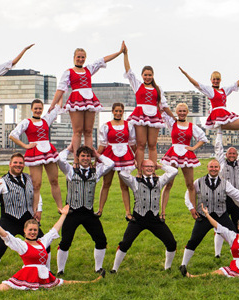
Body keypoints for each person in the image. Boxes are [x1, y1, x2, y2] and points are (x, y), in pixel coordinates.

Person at [0, 205, 105, 291]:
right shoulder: (21, 245)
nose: (33, 232)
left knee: (63, 282)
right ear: (25, 231)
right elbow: (4, 233)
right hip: (26, 274)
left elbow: (54, 230)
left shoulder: (42, 242)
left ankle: (92, 282)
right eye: (30, 230)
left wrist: (64, 215)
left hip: (44, 274)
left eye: (35, 230)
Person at [179, 159, 239, 276]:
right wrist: (191, 207)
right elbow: (188, 194)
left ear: (219, 168)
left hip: (221, 215)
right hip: (204, 216)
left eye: (216, 167)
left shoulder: (225, 183)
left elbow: (237, 194)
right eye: (211, 167)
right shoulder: (198, 182)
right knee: (194, 240)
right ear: (207, 167)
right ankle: (183, 265)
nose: (213, 169)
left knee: (236, 238)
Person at [48, 43, 125, 163]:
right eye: (78, 57)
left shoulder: (89, 69)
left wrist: (119, 52)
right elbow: (60, 89)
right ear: (74, 58)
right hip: (76, 99)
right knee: (77, 131)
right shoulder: (68, 72)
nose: (80, 59)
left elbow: (103, 60)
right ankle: (76, 160)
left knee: (88, 131)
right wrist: (52, 105)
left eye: (83, 57)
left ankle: (88, 159)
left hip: (89, 100)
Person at [0, 153, 45, 281]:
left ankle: (46, 271)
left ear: (24, 165)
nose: (18, 165)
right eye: (15, 163)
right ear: (10, 164)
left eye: (20, 163)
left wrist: (39, 209)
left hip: (27, 220)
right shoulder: (2, 182)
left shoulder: (29, 178)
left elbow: (36, 194)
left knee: (44, 243)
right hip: (9, 219)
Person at [178, 67, 239, 161]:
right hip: (219, 117)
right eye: (214, 79)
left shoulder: (224, 90)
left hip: (225, 114)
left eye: (217, 79)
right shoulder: (210, 90)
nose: (216, 81)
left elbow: (236, 84)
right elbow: (196, 84)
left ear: (220, 80)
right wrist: (186, 74)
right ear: (211, 80)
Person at [111, 159, 178, 273]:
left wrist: (160, 166)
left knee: (171, 242)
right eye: (146, 166)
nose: (149, 168)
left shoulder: (159, 180)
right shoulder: (134, 181)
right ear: (142, 168)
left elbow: (174, 171)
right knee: (125, 243)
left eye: (151, 166)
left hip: (155, 219)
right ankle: (114, 269)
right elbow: (123, 174)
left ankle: (168, 267)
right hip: (138, 219)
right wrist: (134, 166)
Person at [56, 144, 114, 275]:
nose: (86, 158)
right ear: (78, 157)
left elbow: (110, 164)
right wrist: (69, 149)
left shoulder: (96, 171)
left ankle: (98, 268)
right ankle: (60, 270)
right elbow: (60, 159)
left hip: (88, 212)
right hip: (72, 212)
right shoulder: (70, 170)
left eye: (88, 156)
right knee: (65, 241)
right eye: (83, 156)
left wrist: (98, 155)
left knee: (101, 239)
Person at [122, 42, 176, 171]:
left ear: (153, 76)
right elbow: (128, 71)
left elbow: (164, 106)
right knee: (141, 144)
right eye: (145, 75)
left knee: (152, 144)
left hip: (154, 116)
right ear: (142, 75)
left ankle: (151, 170)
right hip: (140, 114)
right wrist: (125, 54)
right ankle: (140, 171)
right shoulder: (137, 84)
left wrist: (175, 118)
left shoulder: (158, 89)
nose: (147, 77)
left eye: (150, 75)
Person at [9, 99, 63, 212]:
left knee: (54, 180)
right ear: (32, 109)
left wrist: (62, 89)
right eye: (36, 108)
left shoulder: (46, 119)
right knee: (36, 184)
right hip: (34, 153)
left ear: (42, 109)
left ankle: (60, 208)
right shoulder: (26, 122)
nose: (38, 110)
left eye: (40, 108)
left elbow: (58, 106)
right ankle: (35, 210)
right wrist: (25, 146)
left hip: (48, 152)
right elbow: (12, 135)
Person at [160, 103, 208, 222]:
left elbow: (203, 138)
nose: (182, 113)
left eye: (184, 111)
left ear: (187, 112)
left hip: (186, 154)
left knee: (190, 184)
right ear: (176, 112)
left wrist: (193, 148)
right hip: (173, 154)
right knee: (169, 184)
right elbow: (162, 110)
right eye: (179, 111)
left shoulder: (192, 126)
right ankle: (162, 212)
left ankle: (194, 212)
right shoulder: (172, 123)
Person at [97, 102, 136, 218]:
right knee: (106, 183)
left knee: (124, 185)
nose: (118, 113)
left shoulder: (129, 125)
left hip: (125, 156)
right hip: (110, 155)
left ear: (123, 112)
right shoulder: (106, 126)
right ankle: (99, 210)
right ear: (112, 111)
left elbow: (133, 143)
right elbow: (102, 144)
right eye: (116, 111)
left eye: (120, 111)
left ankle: (128, 212)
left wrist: (139, 158)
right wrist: (97, 158)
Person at [213, 127, 239, 258]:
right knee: (220, 226)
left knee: (238, 225)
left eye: (234, 153)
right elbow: (218, 148)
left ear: (237, 155)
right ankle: (217, 253)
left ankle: (236, 250)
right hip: (224, 199)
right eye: (230, 153)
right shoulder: (221, 163)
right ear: (226, 155)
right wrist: (219, 132)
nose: (232, 155)